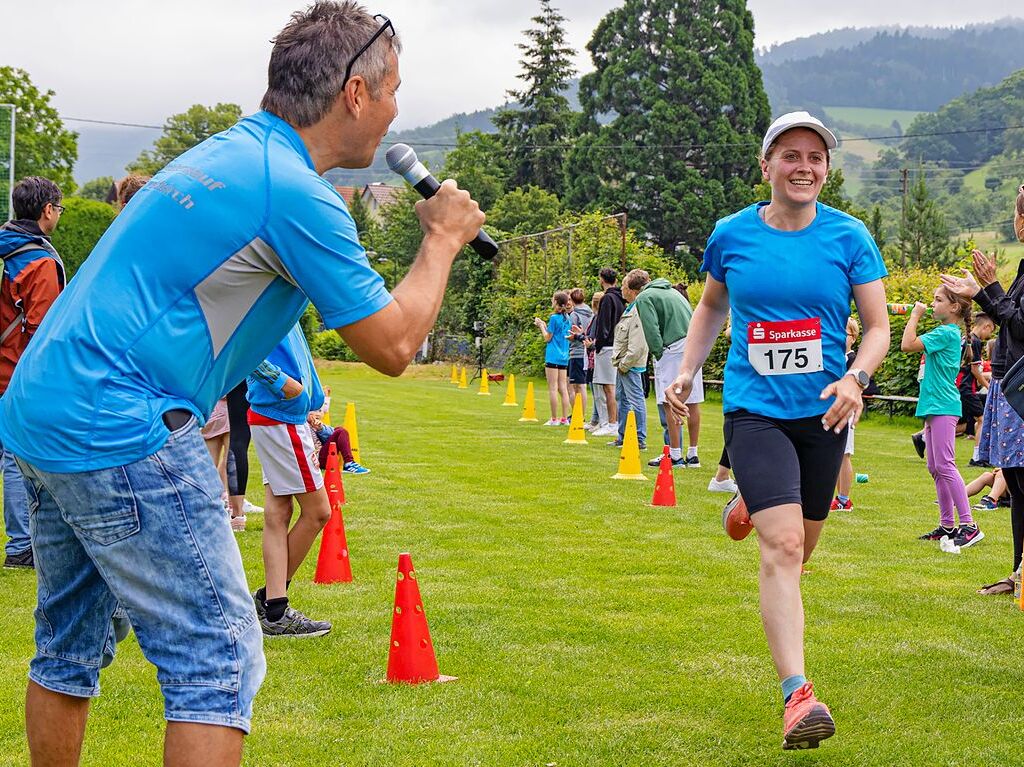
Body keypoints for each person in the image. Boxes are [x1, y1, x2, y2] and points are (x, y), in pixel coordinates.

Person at [0, 3, 486, 762]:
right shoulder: (293, 192)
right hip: (120, 420)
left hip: (42, 409)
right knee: (218, 662)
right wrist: (443, 239)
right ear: (355, 93)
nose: (397, 110)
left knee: (68, 644)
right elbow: (394, 343)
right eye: (393, 90)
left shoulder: (224, 152)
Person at [665, 111, 889, 750]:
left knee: (800, 549)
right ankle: (798, 694)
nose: (804, 167)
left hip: (824, 413)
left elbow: (875, 327)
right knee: (785, 547)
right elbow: (712, 304)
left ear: (826, 169)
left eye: (815, 158)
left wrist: (858, 378)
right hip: (755, 411)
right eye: (790, 155)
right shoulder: (732, 235)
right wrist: (689, 368)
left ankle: (754, 502)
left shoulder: (850, 238)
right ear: (766, 166)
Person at [942, 230, 1024, 598]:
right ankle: (1019, 575)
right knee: (1018, 483)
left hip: (1018, 385)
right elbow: (1010, 317)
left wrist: (989, 287)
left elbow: (1020, 324)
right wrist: (981, 292)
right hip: (1011, 382)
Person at [247, 324, 332, 637]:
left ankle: (273, 606)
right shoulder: (262, 283)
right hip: (280, 414)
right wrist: (285, 386)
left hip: (279, 413)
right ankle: (274, 605)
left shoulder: (287, 288)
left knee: (278, 513)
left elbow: (297, 349)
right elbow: (240, 340)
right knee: (318, 511)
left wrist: (312, 399)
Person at [0, 176, 66, 570]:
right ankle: (21, 545)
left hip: (4, 366)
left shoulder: (8, 246)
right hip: (17, 373)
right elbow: (43, 329)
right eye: (58, 208)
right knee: (15, 455)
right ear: (46, 211)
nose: (58, 215)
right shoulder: (38, 260)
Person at [901, 290, 983, 547]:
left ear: (954, 307)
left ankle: (969, 525)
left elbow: (907, 344)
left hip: (943, 406)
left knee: (945, 465)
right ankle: (947, 525)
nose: (933, 304)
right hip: (934, 407)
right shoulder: (947, 333)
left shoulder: (945, 333)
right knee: (935, 467)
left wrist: (914, 315)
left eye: (938, 300)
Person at [623, 269, 692, 468]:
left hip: (671, 349)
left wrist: (658, 352)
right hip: (689, 347)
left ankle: (674, 454)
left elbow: (651, 329)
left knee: (667, 401)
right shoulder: (672, 291)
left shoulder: (645, 297)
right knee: (688, 401)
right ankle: (689, 452)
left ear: (633, 289)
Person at [613, 278, 650, 450]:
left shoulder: (638, 311)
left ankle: (639, 439)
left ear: (633, 291)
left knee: (636, 400)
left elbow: (637, 346)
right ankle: (623, 436)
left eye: (624, 286)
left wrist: (625, 364)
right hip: (623, 363)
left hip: (630, 365)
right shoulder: (630, 308)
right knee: (622, 399)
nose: (621, 289)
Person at [591, 268, 625, 436]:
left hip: (607, 347)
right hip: (618, 345)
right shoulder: (621, 298)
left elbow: (603, 325)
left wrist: (596, 346)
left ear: (601, 280)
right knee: (612, 386)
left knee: (608, 387)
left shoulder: (607, 299)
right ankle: (614, 421)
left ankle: (612, 423)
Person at [534, 291, 572, 425]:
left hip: (553, 356)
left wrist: (541, 326)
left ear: (556, 302)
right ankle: (564, 418)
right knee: (563, 387)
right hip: (564, 356)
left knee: (553, 387)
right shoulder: (568, 318)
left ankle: (554, 418)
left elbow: (547, 337)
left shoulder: (554, 318)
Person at [567, 287, 593, 419]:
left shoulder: (574, 315)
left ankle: (579, 415)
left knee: (578, 386)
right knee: (581, 384)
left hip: (576, 352)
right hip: (587, 352)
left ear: (571, 299)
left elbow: (571, 334)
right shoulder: (590, 313)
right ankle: (579, 414)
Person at [585, 290, 606, 429]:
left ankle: (601, 421)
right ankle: (595, 418)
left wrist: (589, 344)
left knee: (598, 392)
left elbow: (593, 337)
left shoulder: (599, 318)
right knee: (596, 391)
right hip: (592, 356)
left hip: (595, 357)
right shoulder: (595, 317)